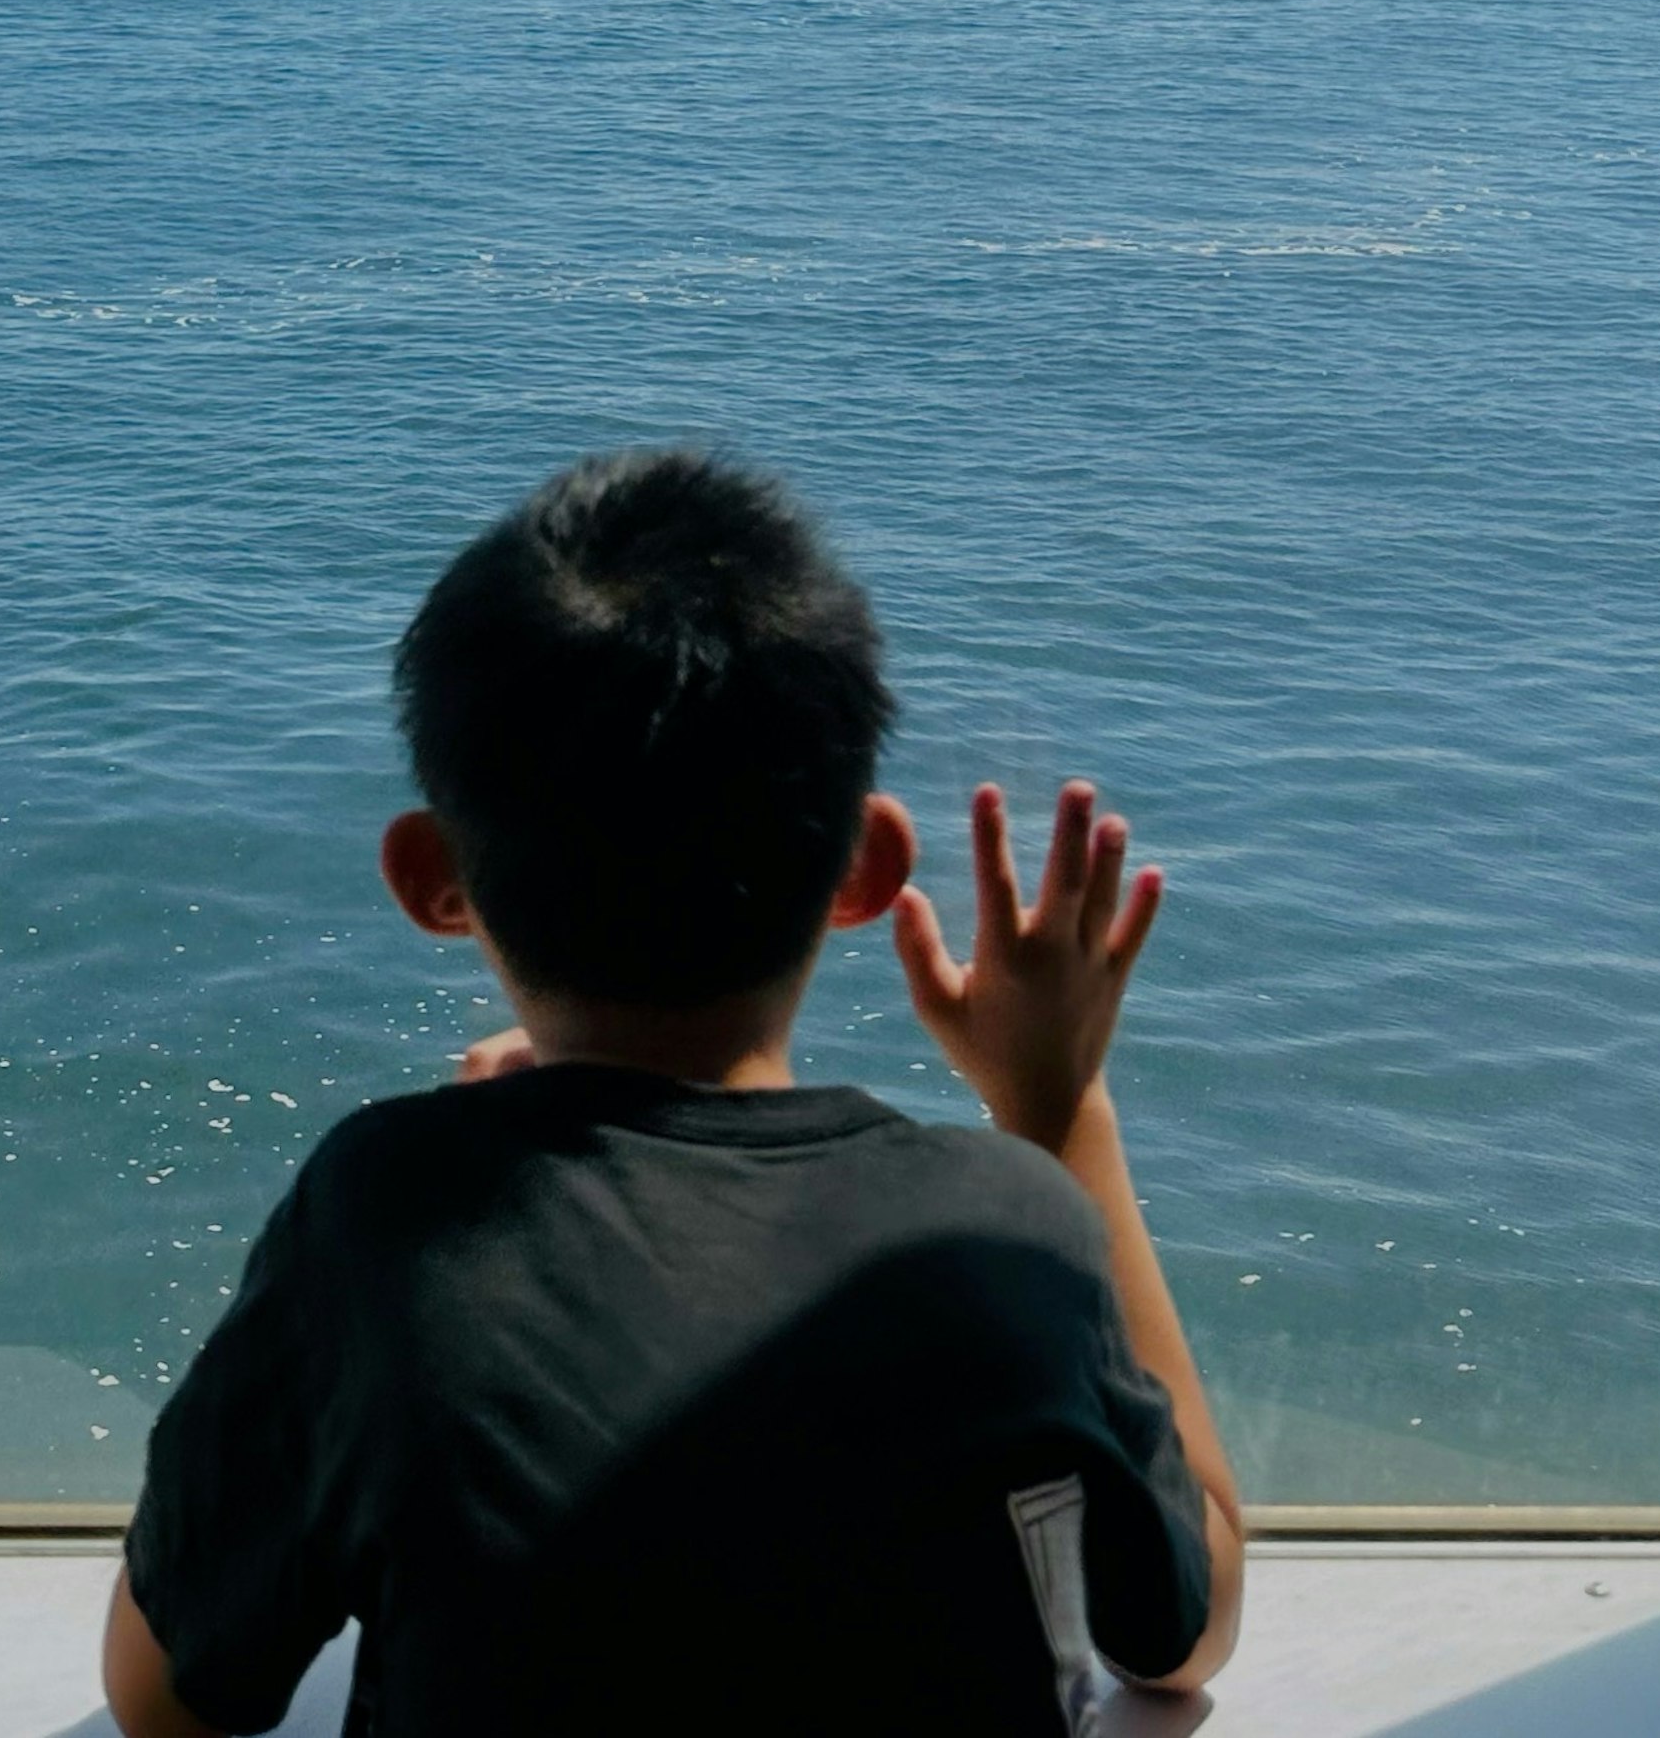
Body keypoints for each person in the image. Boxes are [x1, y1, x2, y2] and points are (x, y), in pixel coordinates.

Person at [101, 449, 1243, 1738]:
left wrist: (483, 1162)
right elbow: (1187, 1635)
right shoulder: (1004, 1224)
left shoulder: (384, 1219)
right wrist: (1057, 1110)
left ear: (432, 878)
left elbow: (168, 1697)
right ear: (866, 867)